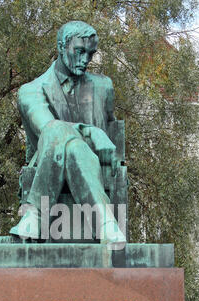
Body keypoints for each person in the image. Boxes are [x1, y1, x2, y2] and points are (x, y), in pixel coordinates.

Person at [10, 21, 126, 248]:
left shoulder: (104, 87)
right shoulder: (30, 91)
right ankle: (105, 222)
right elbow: (48, 127)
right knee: (60, 136)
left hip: (96, 163)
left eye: (90, 54)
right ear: (62, 46)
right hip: (48, 161)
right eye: (79, 52)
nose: (85, 60)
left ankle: (35, 215)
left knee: (71, 145)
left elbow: (113, 133)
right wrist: (90, 131)